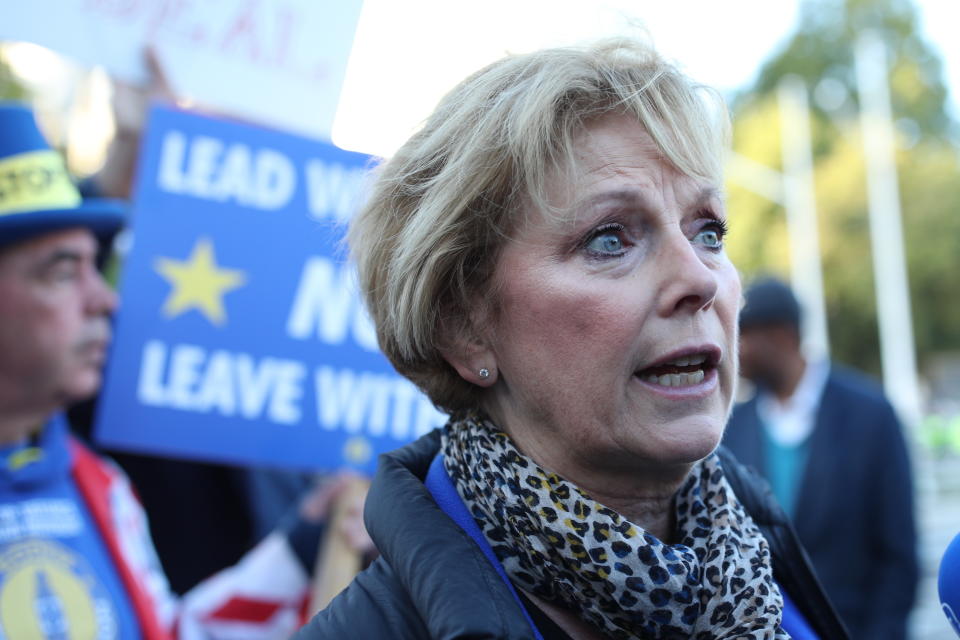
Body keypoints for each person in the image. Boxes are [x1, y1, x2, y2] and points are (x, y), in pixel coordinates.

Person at [296, 40, 848, 639]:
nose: (697, 278)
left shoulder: (760, 566)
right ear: (465, 331)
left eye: (709, 231)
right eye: (610, 239)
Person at [0, 101, 367, 639]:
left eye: (94, 268)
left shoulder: (99, 486)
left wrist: (303, 542)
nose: (104, 299)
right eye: (61, 273)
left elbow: (168, 632)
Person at [723, 276, 918, 640]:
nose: (732, 347)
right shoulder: (732, 427)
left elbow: (897, 555)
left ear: (782, 335)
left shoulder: (871, 415)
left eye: (742, 334)